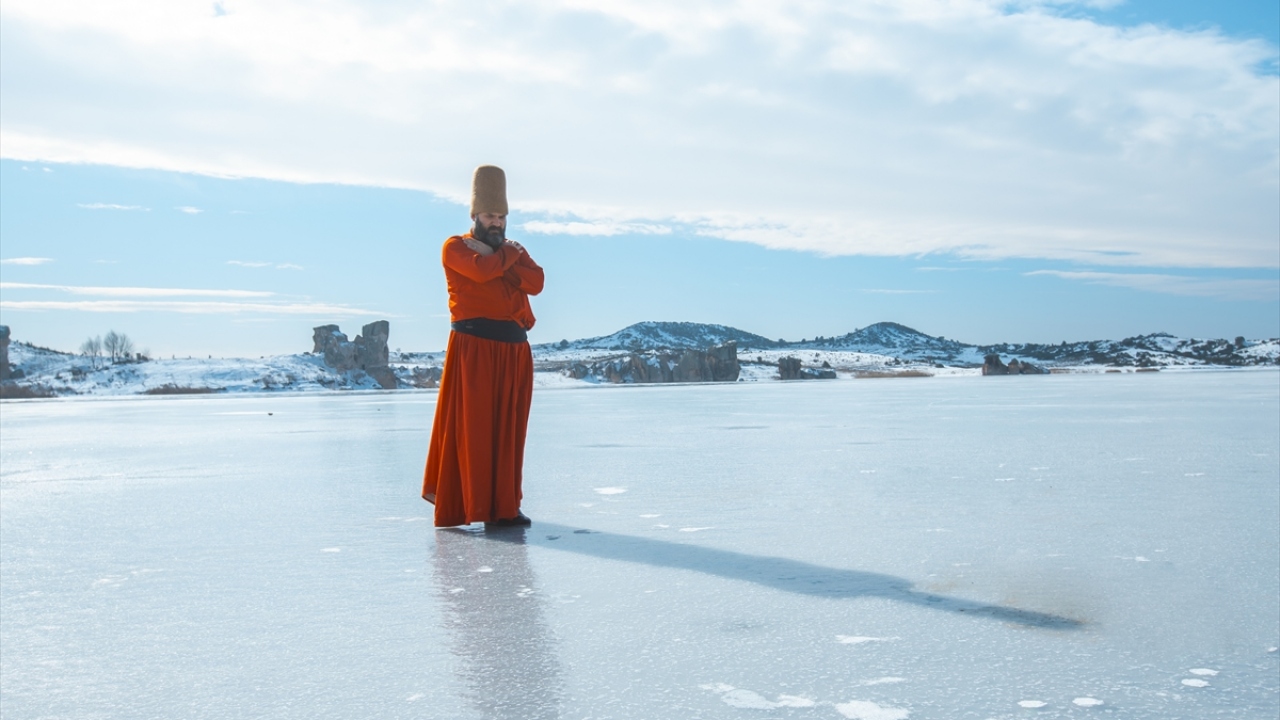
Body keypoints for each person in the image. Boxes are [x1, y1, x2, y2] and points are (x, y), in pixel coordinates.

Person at [422, 165, 545, 527]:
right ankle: (469, 507)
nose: (497, 223)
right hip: (473, 349)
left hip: (514, 350)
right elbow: (479, 272)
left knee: (509, 434)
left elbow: (536, 282)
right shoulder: (455, 246)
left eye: (502, 217)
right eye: (491, 216)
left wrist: (499, 259)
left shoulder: (507, 248)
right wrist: (507, 259)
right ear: (474, 215)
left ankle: (505, 508)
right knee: (472, 432)